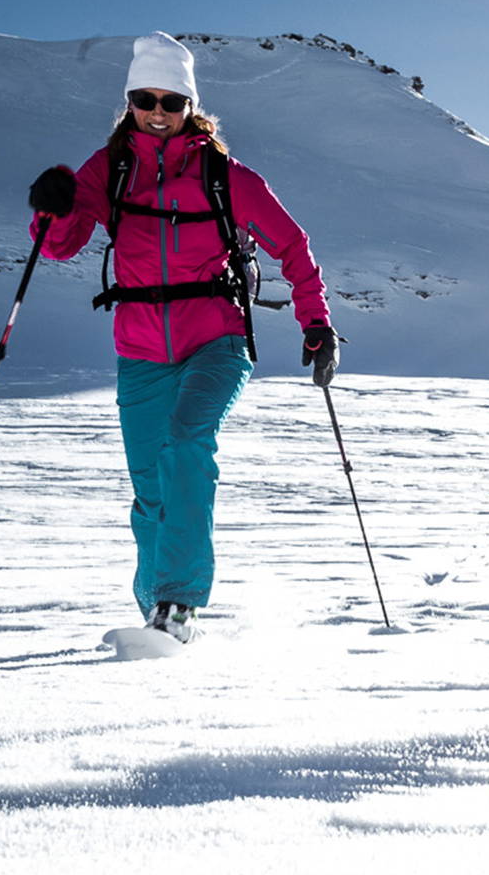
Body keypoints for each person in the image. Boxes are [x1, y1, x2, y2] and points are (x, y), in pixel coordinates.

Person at [25, 32, 336, 642]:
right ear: (130, 102)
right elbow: (59, 246)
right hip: (140, 351)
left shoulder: (226, 175)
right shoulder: (109, 169)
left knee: (186, 443)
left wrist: (316, 321)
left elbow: (292, 245)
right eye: (146, 99)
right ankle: (154, 609)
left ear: (191, 105)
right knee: (150, 493)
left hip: (216, 338)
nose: (158, 112)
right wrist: (53, 205)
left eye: (172, 101)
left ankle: (178, 604)